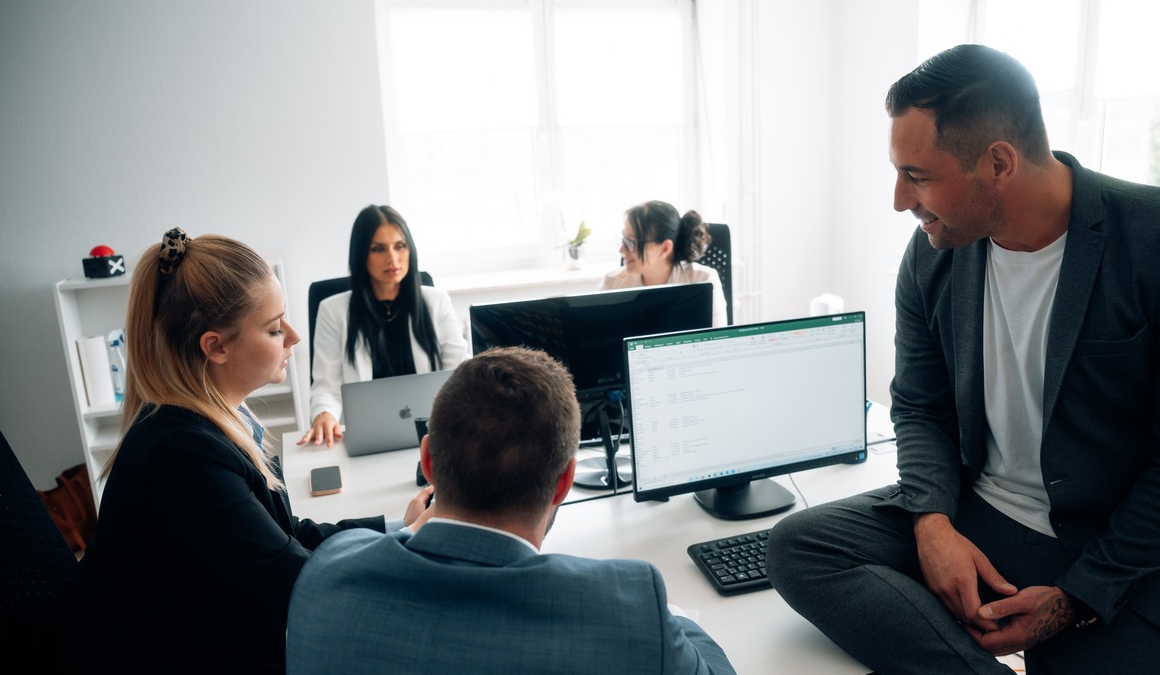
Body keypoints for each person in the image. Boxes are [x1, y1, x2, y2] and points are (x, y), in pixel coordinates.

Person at [767, 44, 1160, 675]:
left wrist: (1075, 601)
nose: (897, 201)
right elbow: (918, 406)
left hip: (1118, 547)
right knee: (797, 547)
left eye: (916, 175)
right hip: (980, 513)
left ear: (998, 162)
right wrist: (933, 524)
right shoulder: (933, 253)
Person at [62, 229, 433, 674]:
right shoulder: (181, 452)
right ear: (215, 346)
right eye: (275, 328)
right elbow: (297, 579)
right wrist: (410, 546)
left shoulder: (213, 424)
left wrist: (398, 526)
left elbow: (286, 536)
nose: (293, 337)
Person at [286, 346, 737, 675]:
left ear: (428, 462)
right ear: (564, 481)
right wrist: (671, 617)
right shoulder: (629, 609)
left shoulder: (328, 571)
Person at [300, 204, 468, 446]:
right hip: (369, 438)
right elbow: (326, 387)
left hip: (434, 436)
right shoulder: (332, 311)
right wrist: (324, 414)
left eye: (400, 246)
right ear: (361, 255)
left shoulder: (436, 302)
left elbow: (460, 373)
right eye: (378, 249)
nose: (393, 258)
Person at [601, 200, 729, 327]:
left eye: (631, 242)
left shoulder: (704, 280)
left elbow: (718, 341)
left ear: (665, 248)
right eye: (624, 239)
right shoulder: (612, 283)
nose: (622, 249)